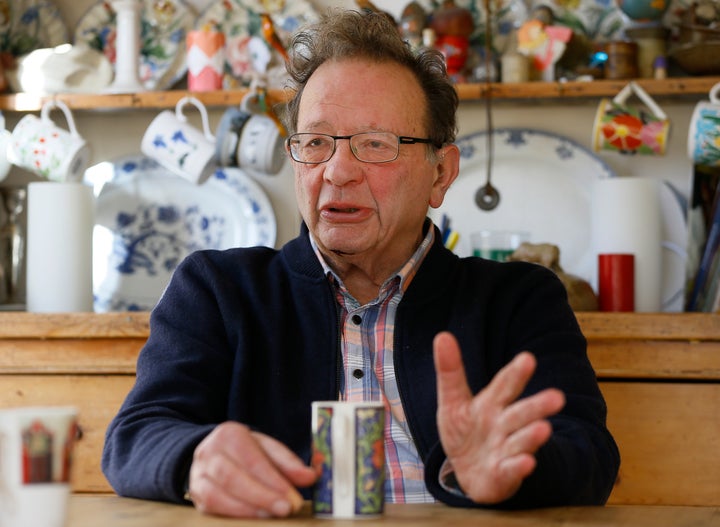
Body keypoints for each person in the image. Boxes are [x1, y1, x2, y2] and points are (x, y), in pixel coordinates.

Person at [102, 9, 620, 518]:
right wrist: (197, 458)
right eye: (316, 143)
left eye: (376, 144)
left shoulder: (518, 300)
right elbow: (137, 435)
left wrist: (510, 471)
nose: (338, 171)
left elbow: (589, 453)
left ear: (441, 173)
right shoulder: (218, 290)